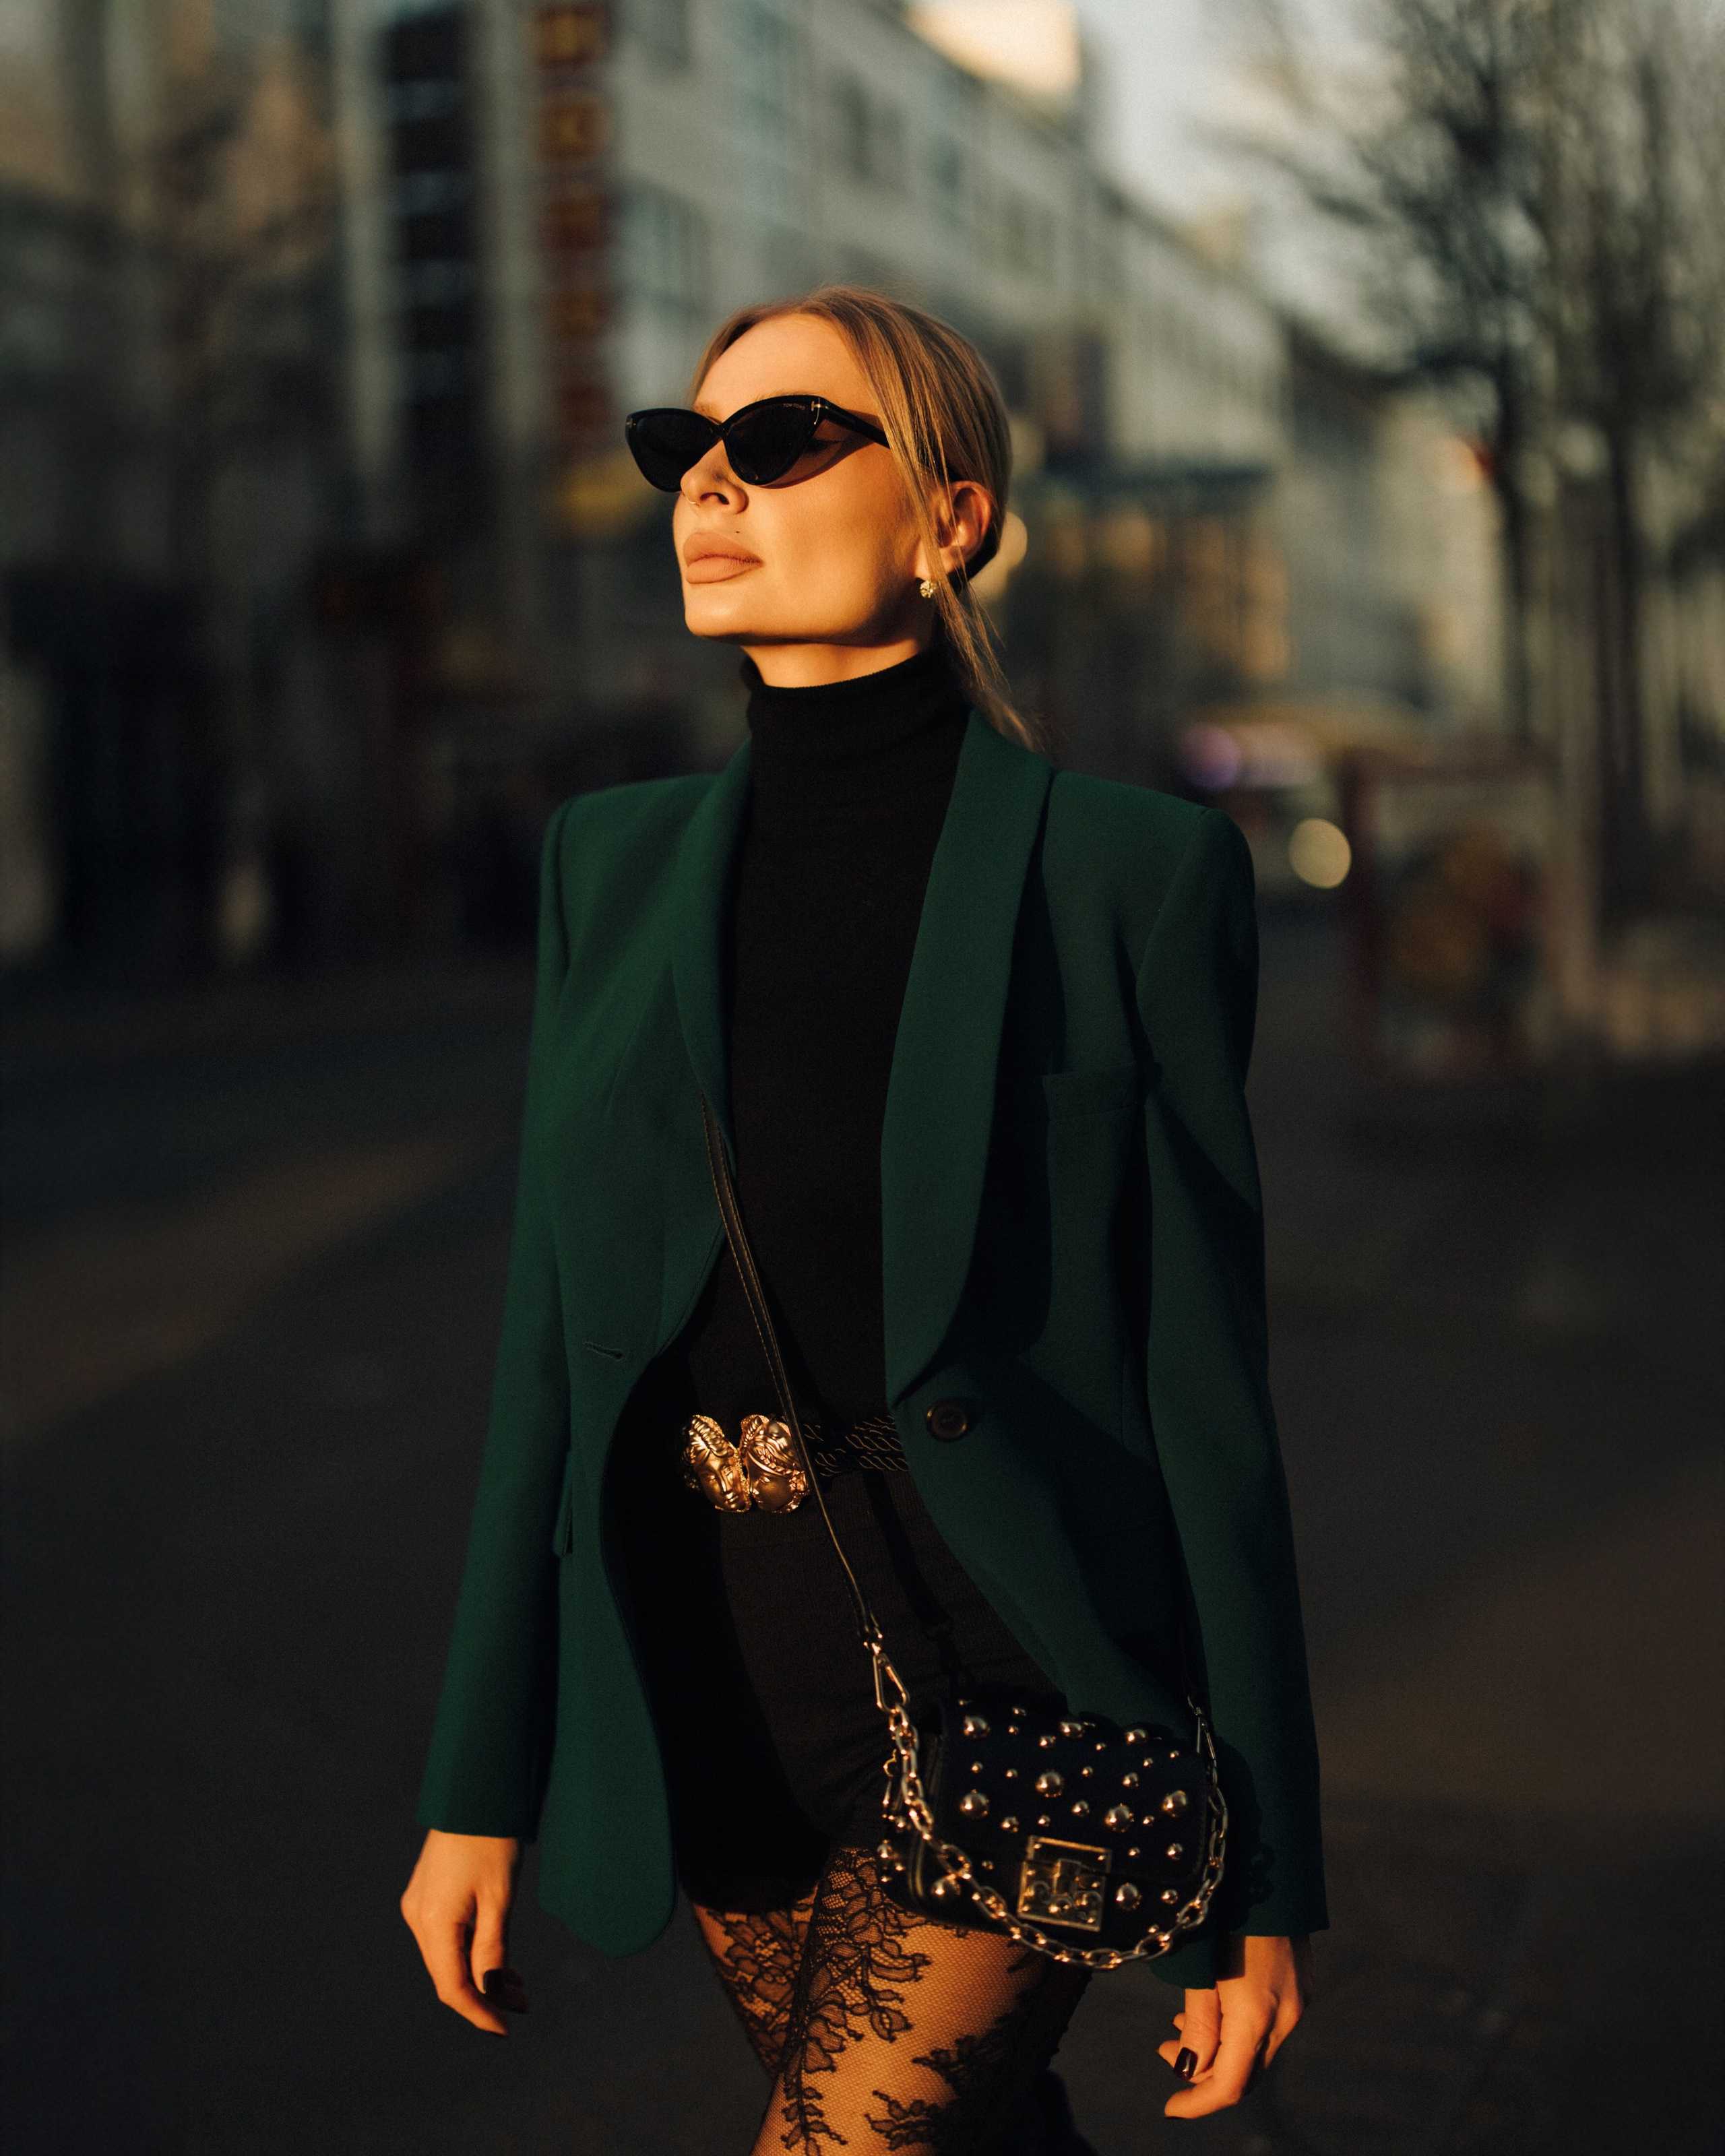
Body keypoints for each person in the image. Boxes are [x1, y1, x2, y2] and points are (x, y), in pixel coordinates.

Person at [401, 287, 1324, 2152]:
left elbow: (1207, 1397)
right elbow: (551, 1364)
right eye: (686, 449)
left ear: (954, 519)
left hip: (1015, 1678)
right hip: (716, 1680)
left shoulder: (1133, 881)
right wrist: (475, 1778)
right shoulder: (614, 868)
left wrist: (1269, 1866)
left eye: (783, 442)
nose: (707, 487)